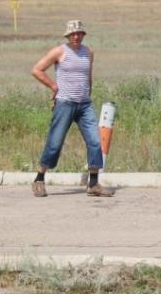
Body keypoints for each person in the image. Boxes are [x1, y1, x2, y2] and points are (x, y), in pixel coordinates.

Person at [30, 20, 112, 197]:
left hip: (85, 105)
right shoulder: (59, 51)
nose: (76, 37)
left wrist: (88, 93)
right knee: (55, 142)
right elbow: (37, 70)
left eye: (79, 33)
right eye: (73, 34)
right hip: (65, 104)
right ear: (67, 36)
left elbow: (88, 76)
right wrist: (53, 86)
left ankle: (93, 184)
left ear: (83, 35)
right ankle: (39, 179)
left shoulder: (88, 52)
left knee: (95, 141)